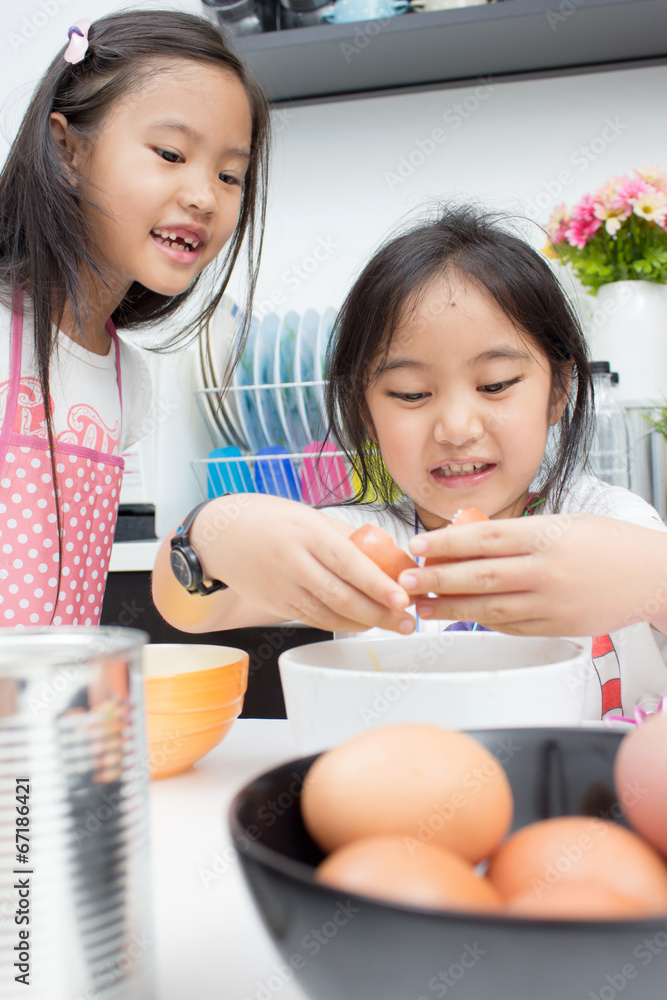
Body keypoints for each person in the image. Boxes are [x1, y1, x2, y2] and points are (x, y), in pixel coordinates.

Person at [152, 206, 667, 720]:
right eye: (411, 393)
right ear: (366, 415)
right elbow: (187, 608)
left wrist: (651, 577)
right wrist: (217, 536)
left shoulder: (610, 522)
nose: (457, 428)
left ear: (559, 391)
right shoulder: (362, 549)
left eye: (495, 385)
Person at [0, 10, 269, 627]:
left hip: (62, 714)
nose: (204, 195)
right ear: (66, 149)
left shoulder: (130, 382)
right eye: (171, 153)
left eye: (230, 174)